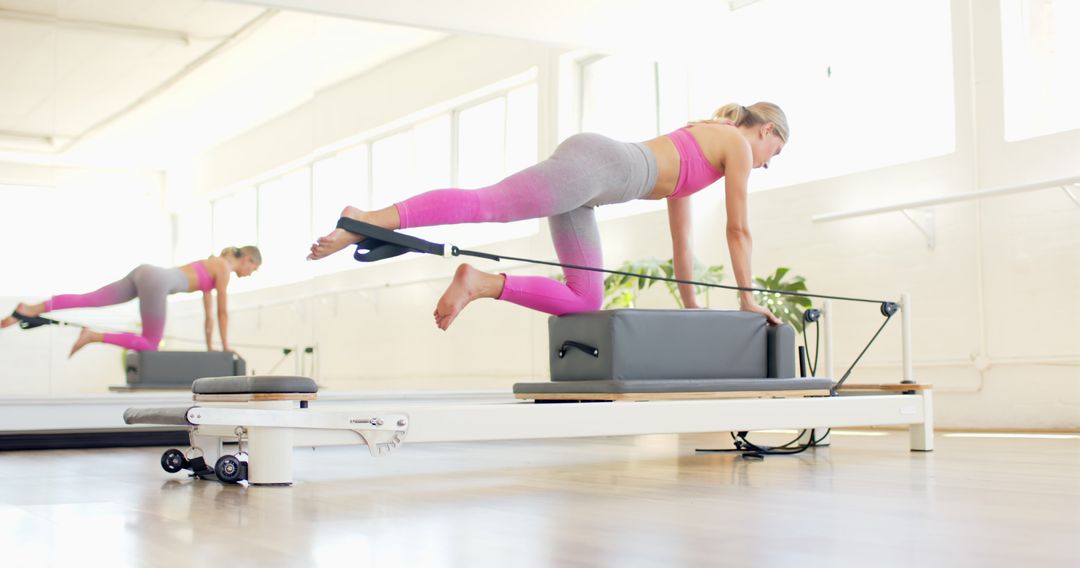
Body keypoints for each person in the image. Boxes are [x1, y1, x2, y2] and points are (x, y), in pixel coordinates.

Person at [308, 102, 787, 331]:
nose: (765, 163)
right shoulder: (736, 146)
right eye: (773, 151)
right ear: (764, 130)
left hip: (590, 190)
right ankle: (365, 218)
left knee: (585, 299)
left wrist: (692, 312)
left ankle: (480, 281)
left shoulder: (704, 143)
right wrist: (747, 299)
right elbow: (738, 229)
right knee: (488, 204)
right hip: (597, 168)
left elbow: (683, 245)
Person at [2, 246, 262, 356]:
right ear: (248, 259)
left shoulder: (213, 263)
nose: (250, 275)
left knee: (89, 299)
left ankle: (30, 308)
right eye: (254, 270)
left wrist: (212, 350)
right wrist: (226, 347)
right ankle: (92, 336)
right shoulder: (224, 269)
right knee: (150, 344)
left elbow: (209, 316)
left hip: (145, 272)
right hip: (157, 282)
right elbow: (222, 313)